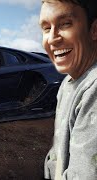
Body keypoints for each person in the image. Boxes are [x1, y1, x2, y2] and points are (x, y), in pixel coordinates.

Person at [39, 0, 97, 179]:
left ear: (94, 30)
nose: (52, 38)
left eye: (65, 24)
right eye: (47, 28)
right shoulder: (68, 83)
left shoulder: (93, 89)